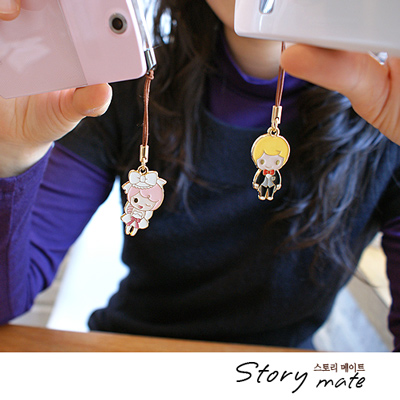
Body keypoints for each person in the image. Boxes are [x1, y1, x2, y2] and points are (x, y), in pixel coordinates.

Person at [0, 0, 399, 350]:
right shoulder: (121, 87)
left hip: (281, 377)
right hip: (134, 358)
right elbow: (7, 299)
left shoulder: (387, 112)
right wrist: (12, 152)